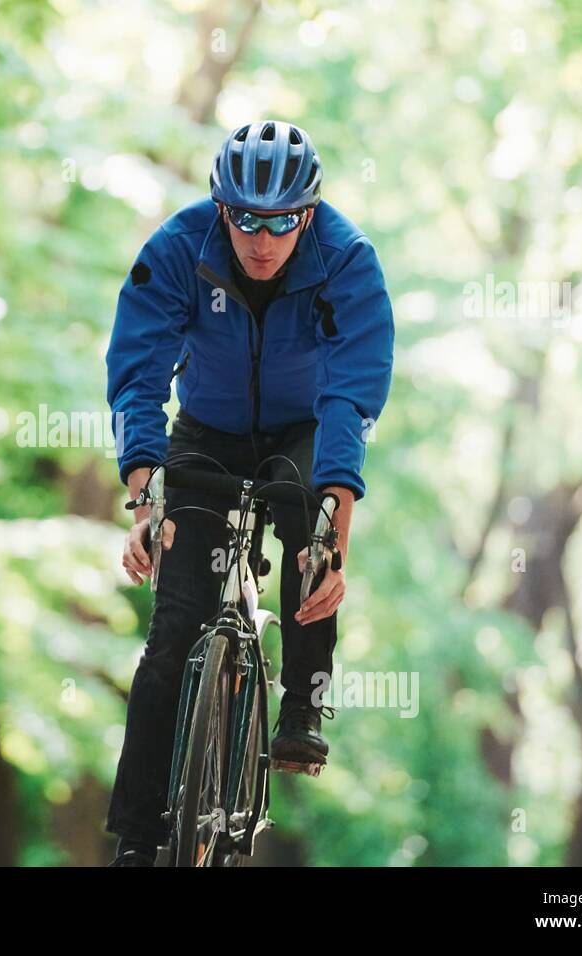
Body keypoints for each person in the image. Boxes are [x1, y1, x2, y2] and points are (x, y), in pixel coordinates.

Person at [103, 120, 394, 866]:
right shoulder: (178, 249)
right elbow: (140, 372)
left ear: (309, 213)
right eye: (244, 219)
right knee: (171, 634)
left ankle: (301, 699)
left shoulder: (347, 260)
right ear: (220, 207)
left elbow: (351, 397)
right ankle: (138, 839)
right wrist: (145, 494)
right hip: (207, 431)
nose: (262, 240)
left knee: (309, 527)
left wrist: (336, 528)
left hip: (305, 430)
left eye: (282, 222)